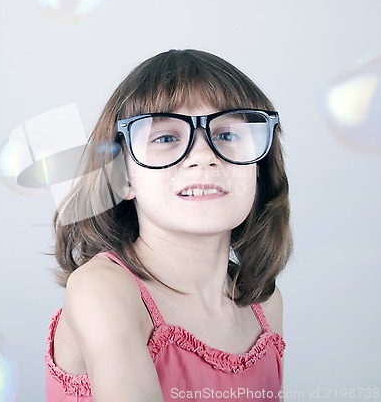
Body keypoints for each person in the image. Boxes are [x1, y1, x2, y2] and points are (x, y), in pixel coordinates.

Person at [45, 49, 292, 402]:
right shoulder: (103, 289)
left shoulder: (264, 303)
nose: (204, 156)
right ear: (121, 177)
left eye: (226, 135)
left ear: (259, 170)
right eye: (165, 138)